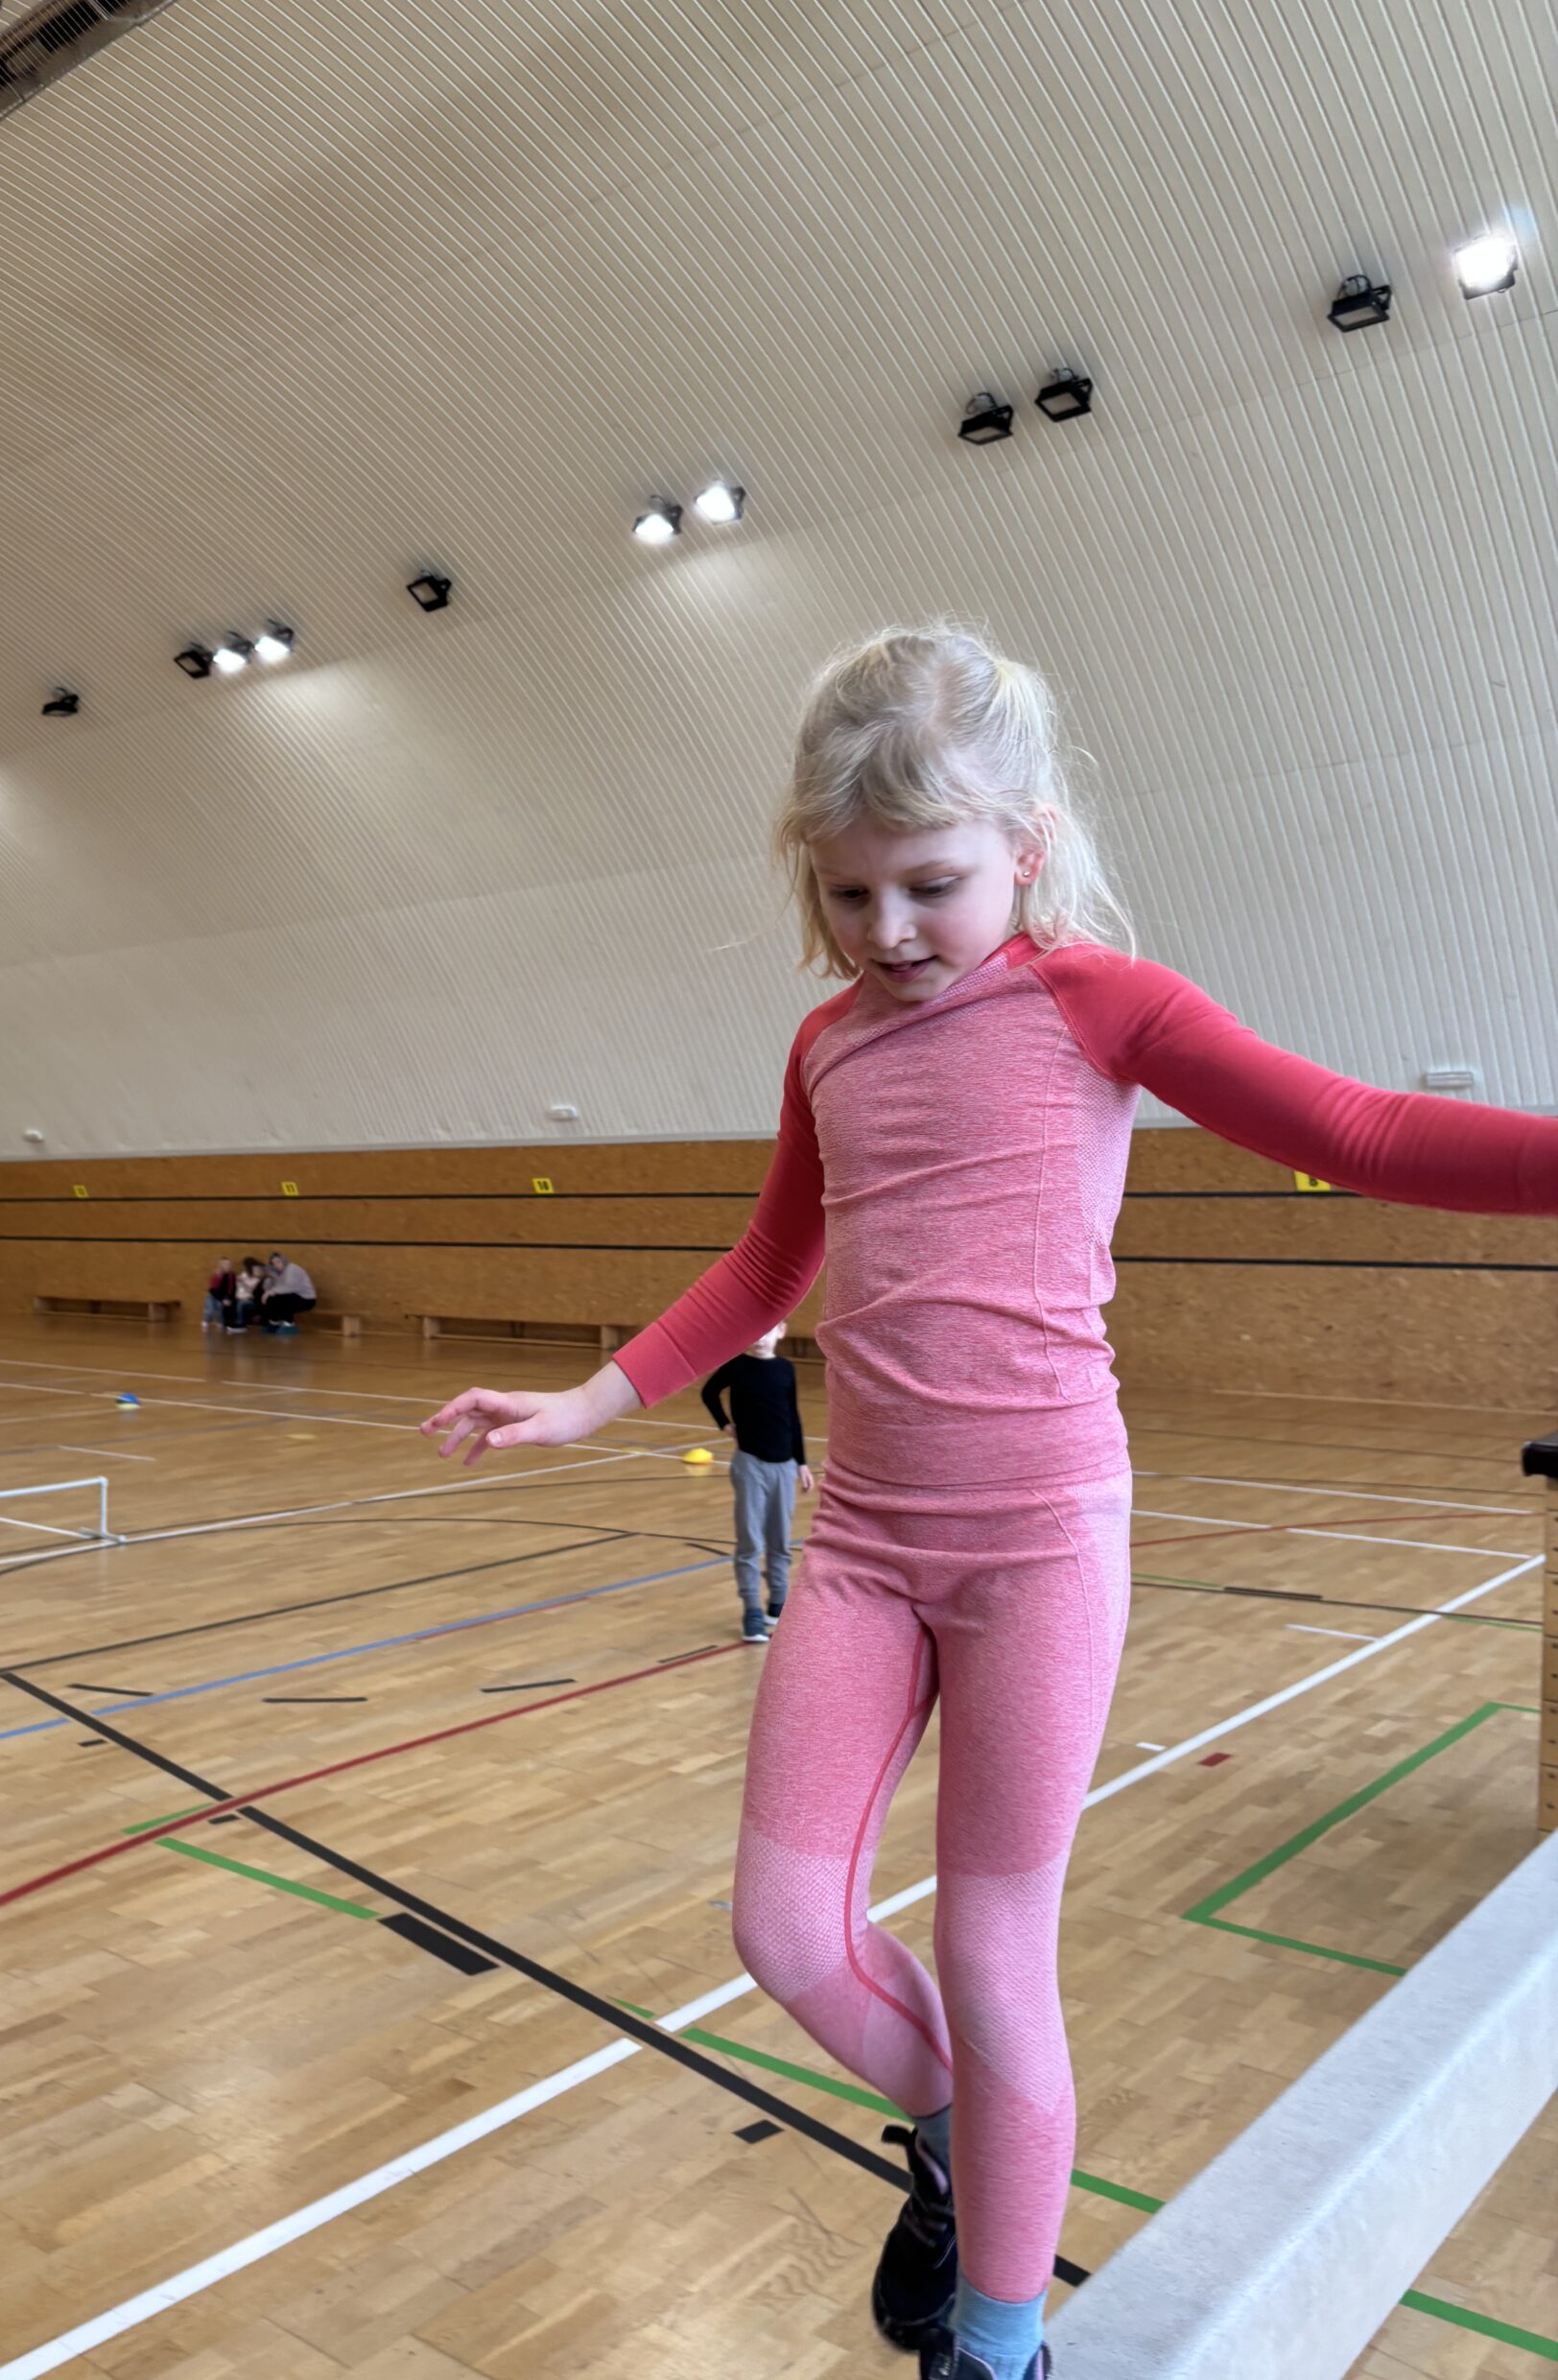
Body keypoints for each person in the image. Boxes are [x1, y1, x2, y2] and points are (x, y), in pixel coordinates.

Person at [421, 624, 1558, 2380]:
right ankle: (959, 2147)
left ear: (1025, 845)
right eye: (850, 892)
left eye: (929, 885)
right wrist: (589, 1400)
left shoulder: (1104, 1004)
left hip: (1039, 1548)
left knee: (993, 1948)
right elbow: (770, 1264)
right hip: (864, 1550)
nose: (887, 931)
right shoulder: (826, 1049)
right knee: (783, 1929)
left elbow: (1365, 1132)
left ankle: (1001, 2342)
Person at [701, 1323, 814, 1642]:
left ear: (781, 1332)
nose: (760, 1337)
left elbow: (793, 1417)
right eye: (755, 1331)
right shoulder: (737, 1366)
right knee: (750, 1540)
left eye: (768, 1331)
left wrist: (801, 1462)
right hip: (750, 1465)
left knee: (780, 1540)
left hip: (784, 1467)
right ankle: (751, 1610)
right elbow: (709, 1393)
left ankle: (777, 1604)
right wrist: (726, 1425)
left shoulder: (785, 1369)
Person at [263, 1250, 318, 1332]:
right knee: (272, 1298)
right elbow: (271, 1287)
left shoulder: (292, 1268)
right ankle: (274, 1322)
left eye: (278, 1262)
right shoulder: (280, 1272)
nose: (276, 1265)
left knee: (281, 1298)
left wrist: (270, 1292)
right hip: (293, 1296)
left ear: (283, 1260)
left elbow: (289, 1287)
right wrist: (271, 1277)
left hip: (307, 1299)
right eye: (273, 1264)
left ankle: (289, 1324)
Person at [229, 1256, 266, 1333]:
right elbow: (240, 1289)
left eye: (258, 1270)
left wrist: (243, 1283)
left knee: (241, 1304)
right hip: (244, 1298)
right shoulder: (246, 1275)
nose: (256, 1271)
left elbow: (252, 1292)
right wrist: (239, 1282)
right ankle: (233, 1323)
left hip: (254, 1302)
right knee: (233, 1302)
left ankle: (241, 1325)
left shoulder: (259, 1280)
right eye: (254, 1270)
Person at [201, 1257, 236, 1331]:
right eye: (225, 1264)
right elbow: (214, 1289)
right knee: (210, 1310)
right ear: (221, 1265)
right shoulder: (217, 1275)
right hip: (213, 1295)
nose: (227, 1266)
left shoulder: (232, 1275)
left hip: (223, 1297)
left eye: (229, 1264)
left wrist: (229, 1299)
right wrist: (223, 1299)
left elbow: (232, 1288)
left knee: (220, 1310)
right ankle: (206, 1321)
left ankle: (220, 1323)